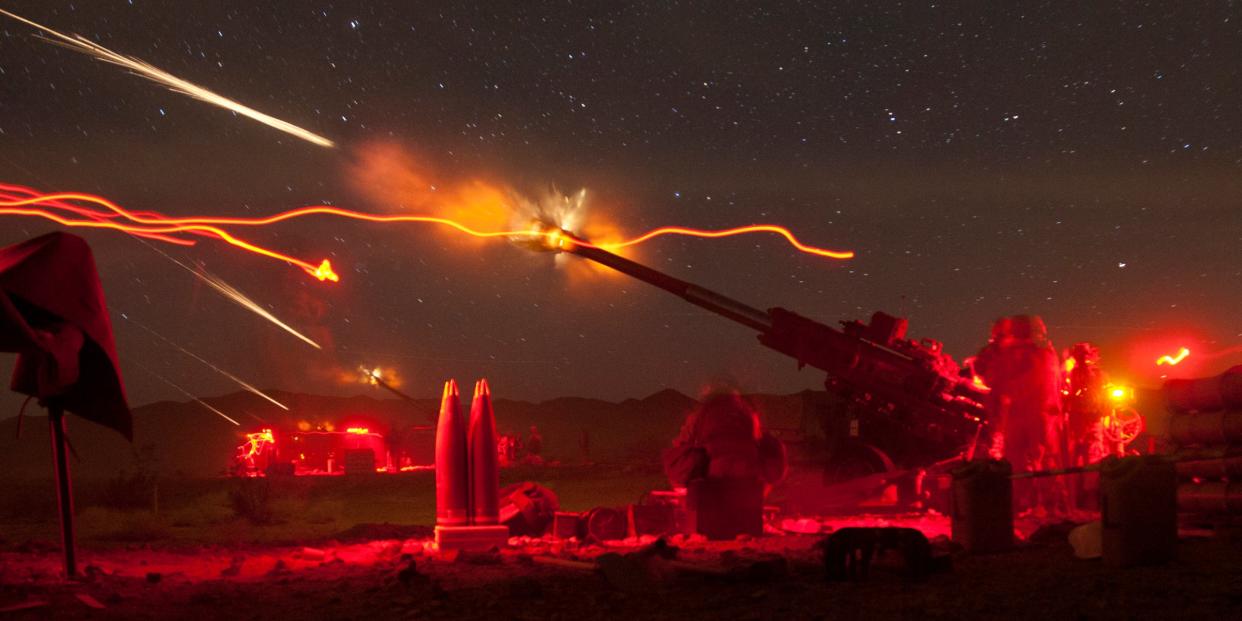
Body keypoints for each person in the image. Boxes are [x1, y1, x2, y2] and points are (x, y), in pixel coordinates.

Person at [973, 315, 1067, 515]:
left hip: (1037, 415)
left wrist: (1004, 392)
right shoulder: (1033, 354)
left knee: (1041, 459)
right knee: (1019, 460)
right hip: (1028, 415)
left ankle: (1050, 506)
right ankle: (1028, 504)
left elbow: (1027, 382)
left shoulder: (1038, 355)